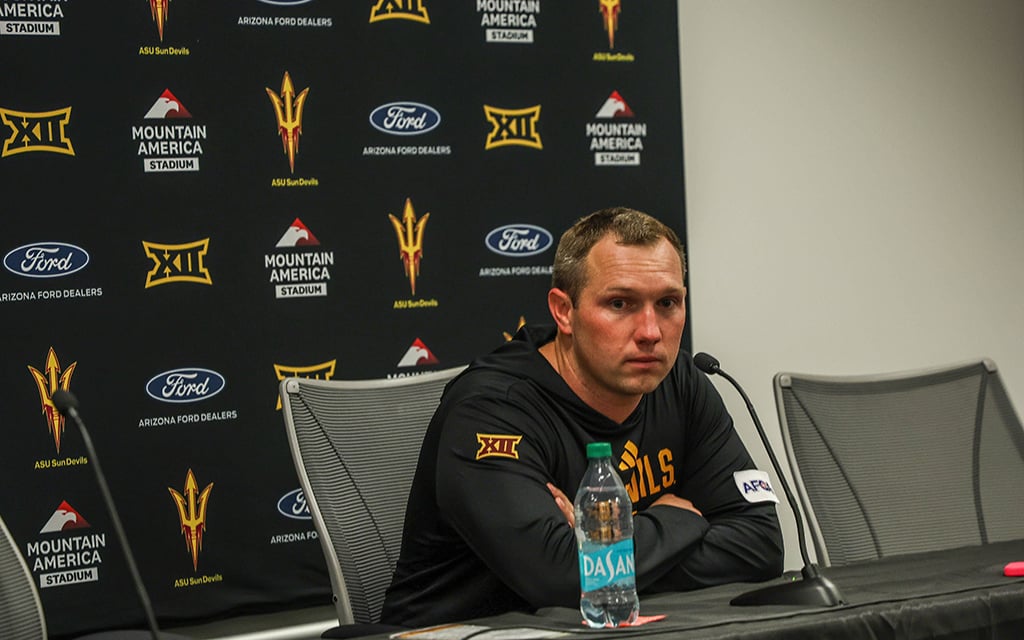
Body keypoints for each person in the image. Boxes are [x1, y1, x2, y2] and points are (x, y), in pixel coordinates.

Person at [380, 207, 784, 627]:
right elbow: (562, 578)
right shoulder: (492, 410)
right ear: (564, 311)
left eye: (667, 303)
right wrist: (680, 519)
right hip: (457, 633)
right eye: (620, 303)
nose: (650, 331)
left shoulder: (678, 380)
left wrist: (600, 557)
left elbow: (761, 544)